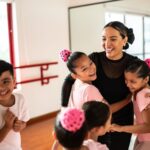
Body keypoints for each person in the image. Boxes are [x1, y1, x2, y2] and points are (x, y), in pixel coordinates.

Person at [61, 21, 138, 150]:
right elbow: (68, 80)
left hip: (122, 120)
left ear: (124, 40)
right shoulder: (94, 59)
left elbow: (145, 84)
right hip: (97, 121)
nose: (107, 44)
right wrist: (64, 111)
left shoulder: (133, 63)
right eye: (104, 39)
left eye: (113, 39)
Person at [60, 49, 130, 112]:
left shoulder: (76, 83)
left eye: (90, 63)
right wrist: (127, 100)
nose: (91, 69)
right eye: (84, 69)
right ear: (75, 75)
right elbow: (107, 110)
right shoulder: (89, 89)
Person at [111, 59, 150, 150]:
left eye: (133, 81)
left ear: (146, 79)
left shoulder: (143, 95)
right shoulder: (139, 91)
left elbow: (148, 127)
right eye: (126, 80)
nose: (128, 85)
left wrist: (120, 128)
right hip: (143, 139)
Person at [0, 60, 30, 150]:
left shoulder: (20, 99)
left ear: (14, 82)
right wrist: (7, 126)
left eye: (5, 81)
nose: (1, 87)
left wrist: (21, 125)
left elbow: (24, 122)